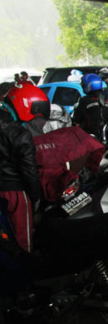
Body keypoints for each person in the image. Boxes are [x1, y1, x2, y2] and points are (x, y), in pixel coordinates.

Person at [0, 85, 46, 253]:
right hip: (14, 193)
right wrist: (35, 195)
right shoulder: (18, 132)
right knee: (22, 245)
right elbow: (28, 169)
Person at [73, 73, 108, 138]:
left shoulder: (85, 100)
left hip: (89, 135)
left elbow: (77, 119)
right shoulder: (106, 99)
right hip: (105, 134)